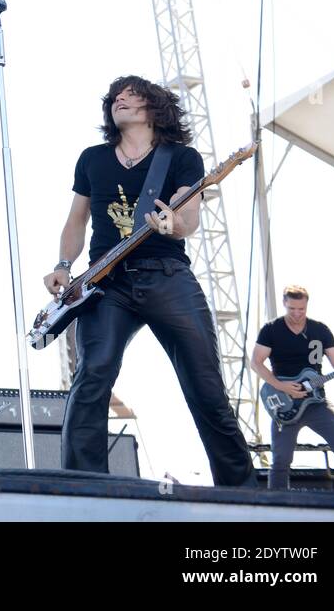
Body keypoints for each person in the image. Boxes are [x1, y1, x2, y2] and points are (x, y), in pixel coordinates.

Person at [43, 75, 255, 486]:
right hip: (107, 284)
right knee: (92, 376)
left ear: (153, 107)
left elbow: (189, 220)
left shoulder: (181, 157)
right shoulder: (92, 159)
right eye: (115, 97)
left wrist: (171, 223)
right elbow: (76, 220)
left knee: (206, 387)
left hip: (167, 275)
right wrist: (63, 264)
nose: (119, 100)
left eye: (130, 95)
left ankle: (243, 493)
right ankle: (85, 491)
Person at [251, 285, 334, 489]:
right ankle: (276, 510)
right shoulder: (271, 329)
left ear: (307, 306)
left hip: (316, 404)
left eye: (301, 309)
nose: (296, 313)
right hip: (285, 404)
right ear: (285, 304)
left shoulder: (320, 330)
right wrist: (282, 386)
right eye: (292, 308)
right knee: (281, 462)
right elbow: (256, 363)